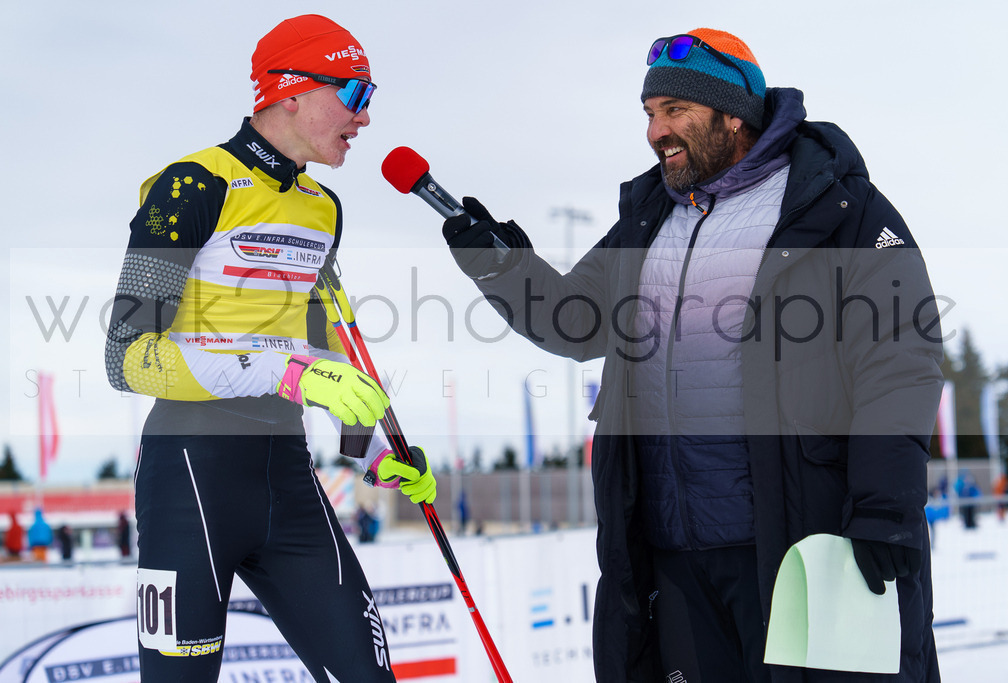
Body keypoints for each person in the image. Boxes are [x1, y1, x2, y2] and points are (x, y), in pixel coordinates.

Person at [439, 29, 944, 682]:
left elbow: (898, 358)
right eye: (651, 113)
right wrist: (500, 265)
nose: (657, 131)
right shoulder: (650, 218)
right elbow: (573, 320)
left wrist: (885, 505)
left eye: (676, 110)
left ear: (733, 114)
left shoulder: (837, 208)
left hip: (798, 545)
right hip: (674, 557)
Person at [104, 15, 436, 683]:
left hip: (286, 476)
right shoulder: (192, 185)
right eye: (355, 93)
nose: (365, 117)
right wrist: (285, 371)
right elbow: (126, 358)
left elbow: (325, 348)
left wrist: (374, 449)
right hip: (189, 478)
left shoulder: (322, 208)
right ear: (291, 90)